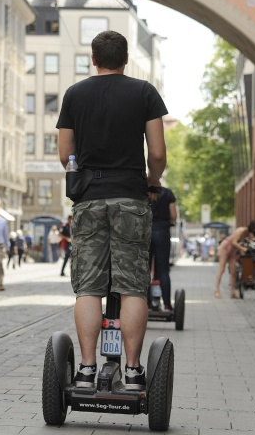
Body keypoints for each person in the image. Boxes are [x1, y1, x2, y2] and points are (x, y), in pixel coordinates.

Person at [57, 30, 167, 390]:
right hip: (131, 197)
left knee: (88, 287)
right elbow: (158, 153)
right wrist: (153, 182)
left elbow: (65, 155)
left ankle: (86, 369)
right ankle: (133, 371)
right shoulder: (144, 92)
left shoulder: (74, 94)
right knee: (133, 286)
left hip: (89, 197)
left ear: (93, 58)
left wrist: (82, 177)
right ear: (125, 60)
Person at [214, 219, 255, 299]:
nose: (254, 230)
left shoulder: (248, 234)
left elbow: (251, 241)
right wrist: (243, 249)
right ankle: (217, 290)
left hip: (233, 251)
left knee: (234, 271)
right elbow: (234, 242)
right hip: (225, 248)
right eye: (254, 227)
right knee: (222, 269)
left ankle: (233, 292)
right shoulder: (241, 230)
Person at [148, 186, 177, 311]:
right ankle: (166, 304)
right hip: (162, 231)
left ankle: (146, 303)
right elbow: (174, 216)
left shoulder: (143, 190)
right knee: (164, 270)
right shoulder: (168, 193)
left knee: (144, 270)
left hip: (145, 231)